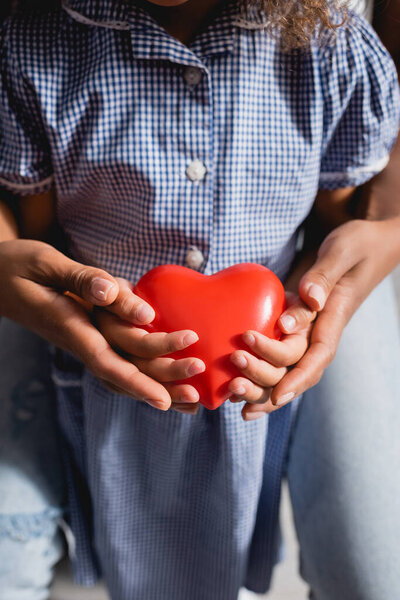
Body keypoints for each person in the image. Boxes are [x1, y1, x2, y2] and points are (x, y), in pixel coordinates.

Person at [0, 1, 399, 600]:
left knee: (379, 571)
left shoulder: (332, 47)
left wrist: (367, 245)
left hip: (276, 320)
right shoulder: (30, 47)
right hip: (82, 330)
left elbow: (340, 210)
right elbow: (38, 229)